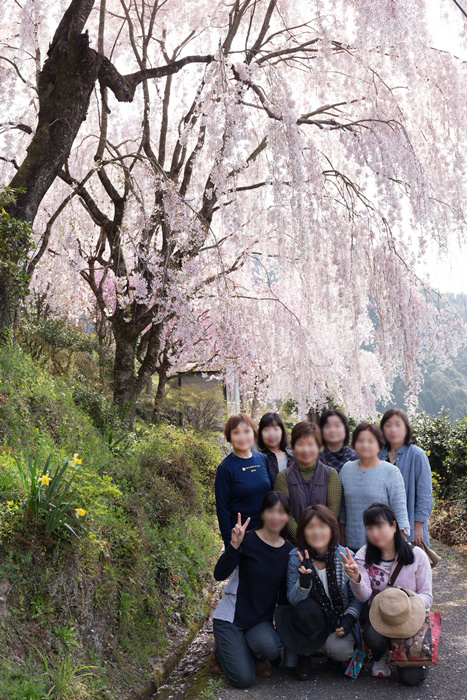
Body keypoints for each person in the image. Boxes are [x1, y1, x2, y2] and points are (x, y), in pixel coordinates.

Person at [341, 502, 432, 686]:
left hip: (410, 617)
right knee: (372, 634)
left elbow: (427, 596)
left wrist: (404, 604)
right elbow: (364, 597)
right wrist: (356, 577)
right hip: (380, 616)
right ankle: (379, 655)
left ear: (394, 525)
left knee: (412, 680)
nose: (375, 533)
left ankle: (404, 653)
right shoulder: (363, 556)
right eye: (370, 528)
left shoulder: (417, 555)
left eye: (380, 526)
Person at [211, 491, 293, 689]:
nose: (276, 517)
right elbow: (219, 574)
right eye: (271, 511)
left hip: (259, 622)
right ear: (263, 513)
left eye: (281, 512)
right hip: (232, 618)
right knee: (244, 679)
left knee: (271, 649)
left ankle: (244, 650)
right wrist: (234, 546)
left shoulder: (288, 551)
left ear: (287, 517)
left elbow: (283, 597)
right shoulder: (247, 540)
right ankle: (219, 652)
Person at [274, 505, 362, 680]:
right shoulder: (296, 557)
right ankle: (304, 654)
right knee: (305, 608)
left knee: (341, 652)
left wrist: (348, 620)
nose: (317, 532)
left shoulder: (344, 556)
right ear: (303, 531)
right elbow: (293, 600)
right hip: (310, 619)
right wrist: (304, 581)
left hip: (338, 617)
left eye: (322, 526)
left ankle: (333, 655)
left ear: (331, 529)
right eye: (311, 527)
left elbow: (357, 599)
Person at [339, 422, 410, 551]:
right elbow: (342, 510)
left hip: (382, 547)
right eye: (360, 441)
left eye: (370, 441)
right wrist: (341, 540)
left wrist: (400, 546)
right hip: (351, 546)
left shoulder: (391, 472)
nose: (365, 445)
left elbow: (400, 511)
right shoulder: (346, 469)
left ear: (379, 445)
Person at [274, 421, 342, 542]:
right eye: (300, 444)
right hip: (294, 544)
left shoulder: (330, 475)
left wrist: (318, 537)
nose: (306, 450)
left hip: (324, 543)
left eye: (311, 444)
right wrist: (303, 539)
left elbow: (332, 512)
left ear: (319, 447)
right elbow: (285, 513)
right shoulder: (283, 477)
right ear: (293, 446)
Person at [215, 413, 273, 547]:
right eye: (236, 432)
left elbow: (272, 494)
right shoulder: (225, 468)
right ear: (229, 437)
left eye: (247, 431)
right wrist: (230, 544)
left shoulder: (262, 459)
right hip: (243, 538)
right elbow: (222, 508)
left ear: (254, 433)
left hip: (268, 533)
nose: (242, 437)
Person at [380, 408, 433, 545]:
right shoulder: (378, 454)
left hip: (409, 526)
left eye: (398, 425)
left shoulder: (417, 455)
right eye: (388, 425)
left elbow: (425, 494)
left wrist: (418, 525)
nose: (393, 429)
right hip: (381, 527)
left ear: (406, 428)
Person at [257, 412, 295, 481]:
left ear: (282, 431)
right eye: (266, 429)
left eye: (275, 429)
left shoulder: (294, 457)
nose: (271, 434)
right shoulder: (257, 459)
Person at [319, 409, 357, 473]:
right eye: (327, 426)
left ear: (345, 429)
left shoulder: (355, 457)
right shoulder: (316, 459)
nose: (332, 430)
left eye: (337, 426)